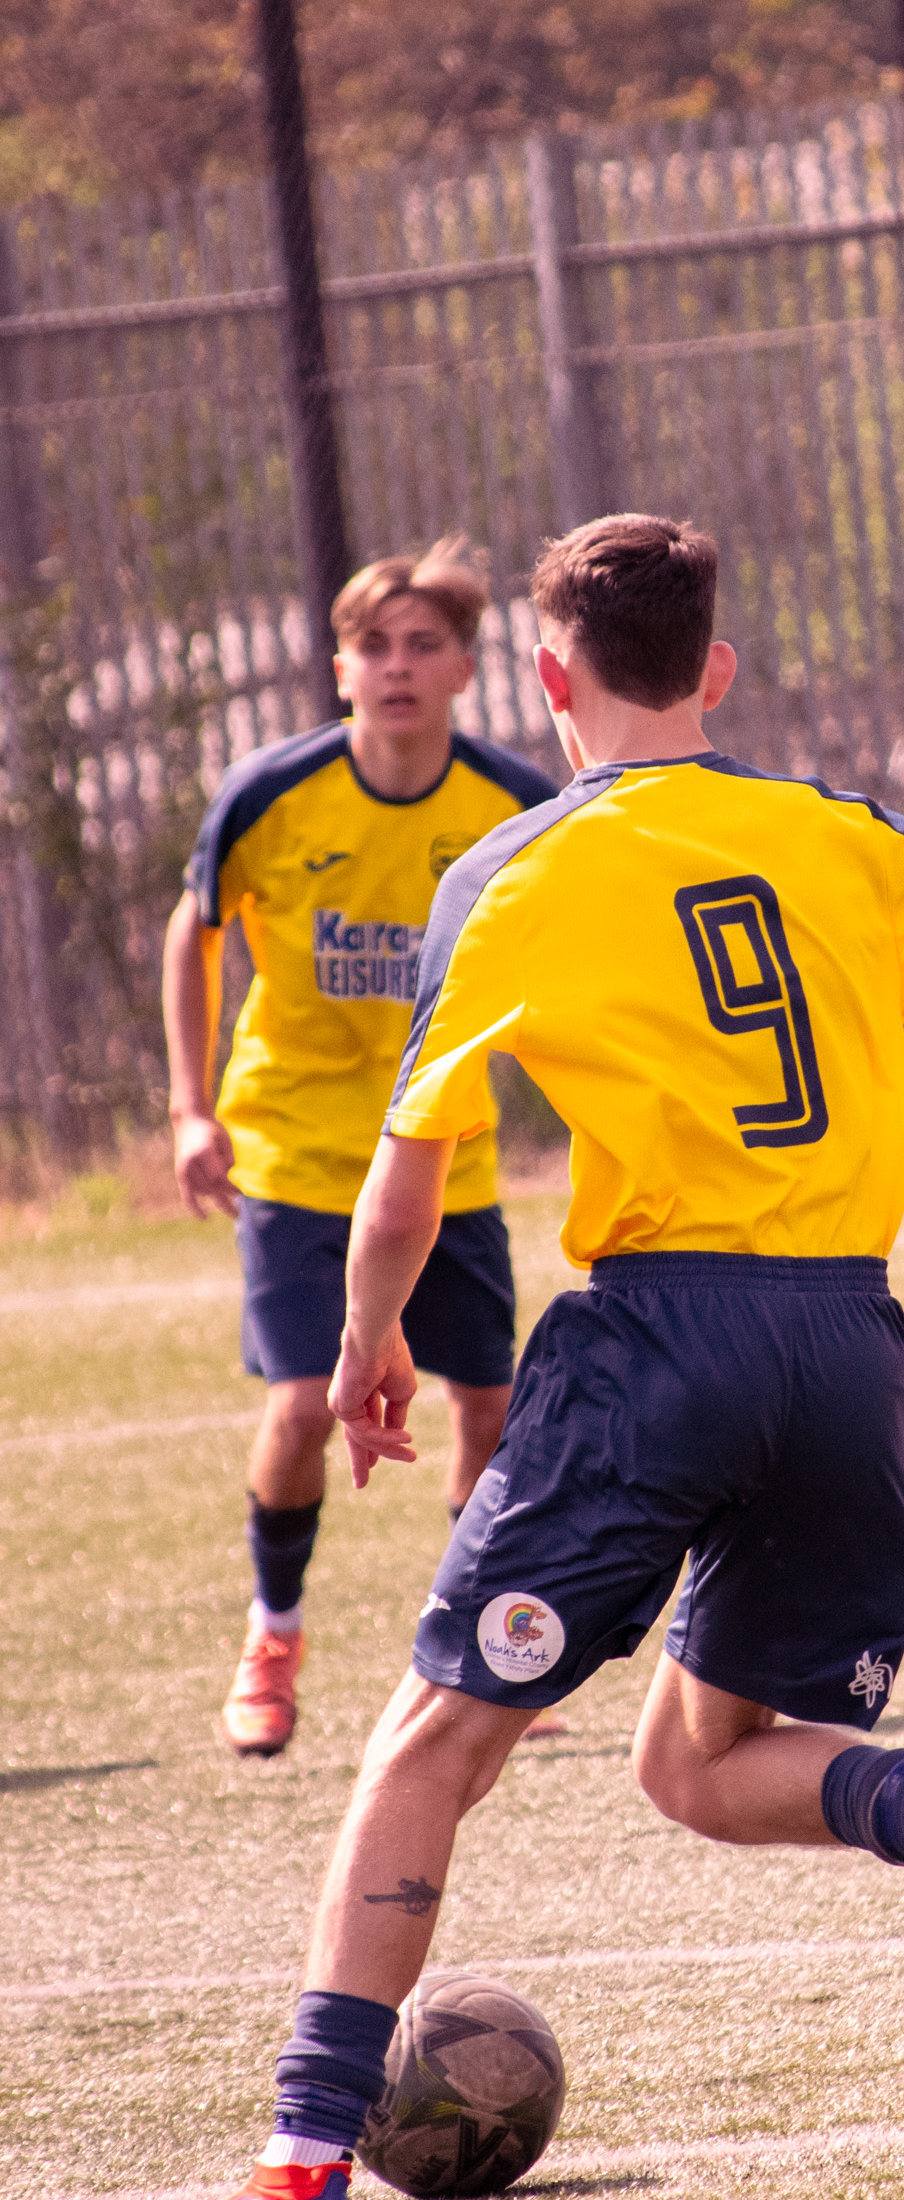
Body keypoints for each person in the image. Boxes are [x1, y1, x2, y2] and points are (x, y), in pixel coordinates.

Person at [111, 509, 904, 2200]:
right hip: (850, 1355)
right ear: (717, 669)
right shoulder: (837, 831)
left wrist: (370, 1339)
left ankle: (297, 2172)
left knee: (433, 1743)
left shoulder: (508, 869)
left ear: (549, 676)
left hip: (658, 1343)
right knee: (693, 1759)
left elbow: (411, 1172)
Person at [163, 541, 557, 1759]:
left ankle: (471, 1642)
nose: (395, 667)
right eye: (372, 646)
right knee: (299, 1407)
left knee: (486, 1403)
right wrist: (192, 1105)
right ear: (339, 667)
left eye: (421, 645)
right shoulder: (269, 795)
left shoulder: (510, 802)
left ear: (464, 667)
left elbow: (561, 954)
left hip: (450, 1152)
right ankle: (272, 1637)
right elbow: (196, 931)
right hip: (295, 1147)